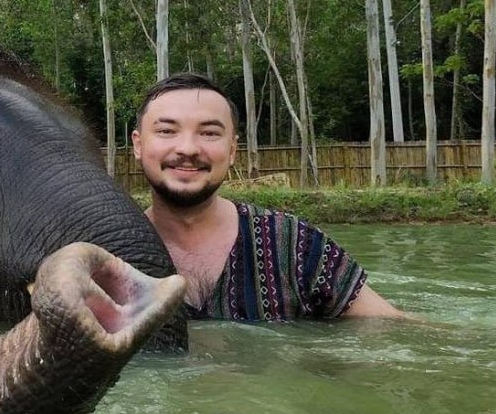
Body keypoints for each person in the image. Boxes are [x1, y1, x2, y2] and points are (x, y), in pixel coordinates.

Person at [131, 72, 403, 321]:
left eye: (209, 133)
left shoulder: (293, 242)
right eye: (166, 131)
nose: (188, 148)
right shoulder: (112, 252)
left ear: (233, 150)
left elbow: (394, 329)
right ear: (138, 145)